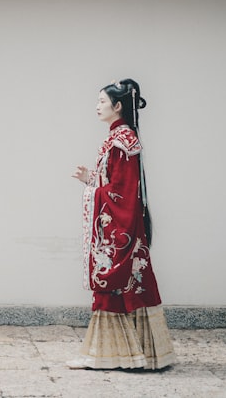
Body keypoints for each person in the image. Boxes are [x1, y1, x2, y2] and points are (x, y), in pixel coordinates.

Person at [68, 78, 175, 370]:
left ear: (118, 106)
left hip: (120, 227)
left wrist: (93, 190)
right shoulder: (120, 139)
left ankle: (105, 354)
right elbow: (115, 185)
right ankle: (137, 354)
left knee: (113, 283)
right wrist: (90, 179)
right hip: (122, 224)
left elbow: (122, 193)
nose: (98, 107)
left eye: (102, 102)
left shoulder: (122, 141)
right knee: (132, 285)